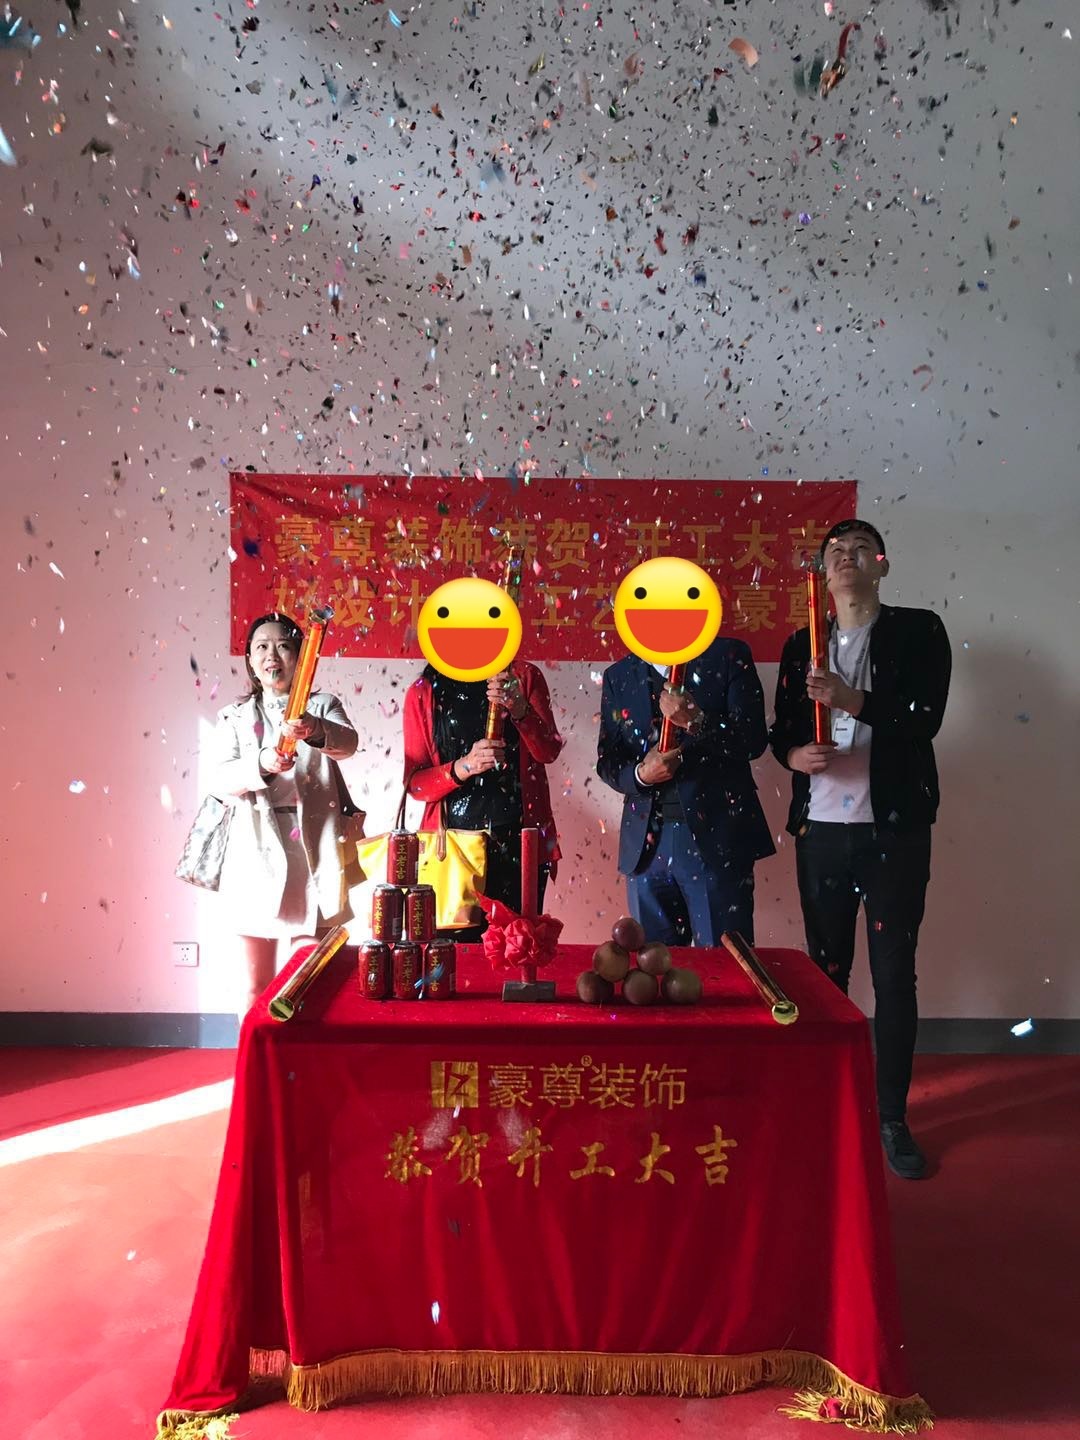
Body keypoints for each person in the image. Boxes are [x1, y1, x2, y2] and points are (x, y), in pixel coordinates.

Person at [769, 520, 951, 1180]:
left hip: (893, 832)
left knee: (894, 974)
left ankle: (891, 1117)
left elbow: (925, 719)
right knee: (825, 973)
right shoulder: (802, 643)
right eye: (835, 552)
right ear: (822, 572)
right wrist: (794, 754)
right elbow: (782, 733)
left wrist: (852, 700)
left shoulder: (918, 631)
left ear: (882, 565)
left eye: (859, 551)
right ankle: (826, 1105)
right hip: (822, 831)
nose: (846, 559)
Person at [210, 612, 360, 1017]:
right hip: (255, 849)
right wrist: (261, 763)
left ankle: (299, 1058)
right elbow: (221, 778)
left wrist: (313, 728)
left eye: (283, 646)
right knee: (255, 985)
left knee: (305, 982)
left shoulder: (322, 706)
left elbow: (347, 744)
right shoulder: (234, 716)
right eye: (261, 647)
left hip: (314, 848)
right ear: (250, 660)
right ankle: (254, 1055)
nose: (271, 655)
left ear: (301, 656)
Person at [596, 634, 775, 946]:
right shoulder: (619, 675)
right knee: (651, 966)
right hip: (645, 847)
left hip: (717, 838)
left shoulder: (727, 655)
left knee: (723, 963)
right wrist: (641, 775)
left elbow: (753, 741)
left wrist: (698, 721)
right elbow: (608, 761)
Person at [403, 661, 563, 939]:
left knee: (517, 949)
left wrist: (520, 708)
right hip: (453, 851)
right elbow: (415, 785)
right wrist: (464, 766)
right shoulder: (424, 690)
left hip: (519, 845)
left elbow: (549, 750)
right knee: (453, 952)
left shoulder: (523, 676)